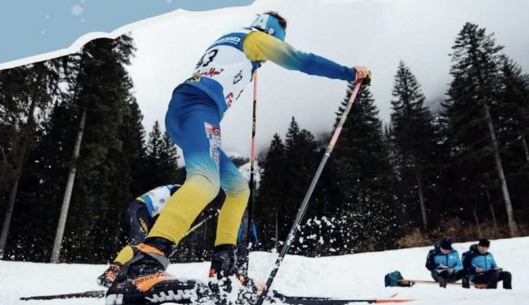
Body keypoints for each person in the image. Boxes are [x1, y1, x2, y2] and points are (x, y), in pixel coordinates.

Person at [98, 11, 372, 304]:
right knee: (204, 184)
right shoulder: (256, 39)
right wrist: (349, 72)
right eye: (277, 40)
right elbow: (301, 60)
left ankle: (226, 270)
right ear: (271, 33)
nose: (271, 52)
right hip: (197, 107)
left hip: (187, 111)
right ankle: (146, 266)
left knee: (238, 190)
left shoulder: (234, 40)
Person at [124, 184, 257, 247]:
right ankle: (113, 273)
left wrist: (206, 211)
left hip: (144, 211)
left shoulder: (178, 192)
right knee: (138, 243)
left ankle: (131, 274)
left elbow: (188, 205)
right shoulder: (180, 189)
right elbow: (188, 203)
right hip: (140, 209)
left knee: (145, 244)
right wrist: (206, 209)